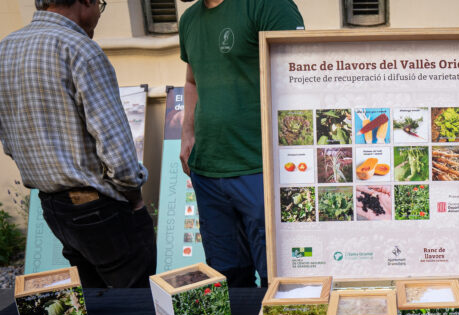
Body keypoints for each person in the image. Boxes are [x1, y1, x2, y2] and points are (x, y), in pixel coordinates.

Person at [0, 0, 155, 288]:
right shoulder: (80, 49)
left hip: (52, 205)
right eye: (100, 4)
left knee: (94, 301)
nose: (98, 13)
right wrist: (134, 198)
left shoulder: (5, 49)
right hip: (97, 205)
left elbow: (8, 139)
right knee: (137, 298)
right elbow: (117, 151)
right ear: (85, 2)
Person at [179, 0, 304, 287]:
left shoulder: (268, 6)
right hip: (208, 172)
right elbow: (192, 81)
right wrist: (187, 132)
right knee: (228, 279)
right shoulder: (189, 20)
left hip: (261, 168)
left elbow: (297, 75)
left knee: (278, 277)